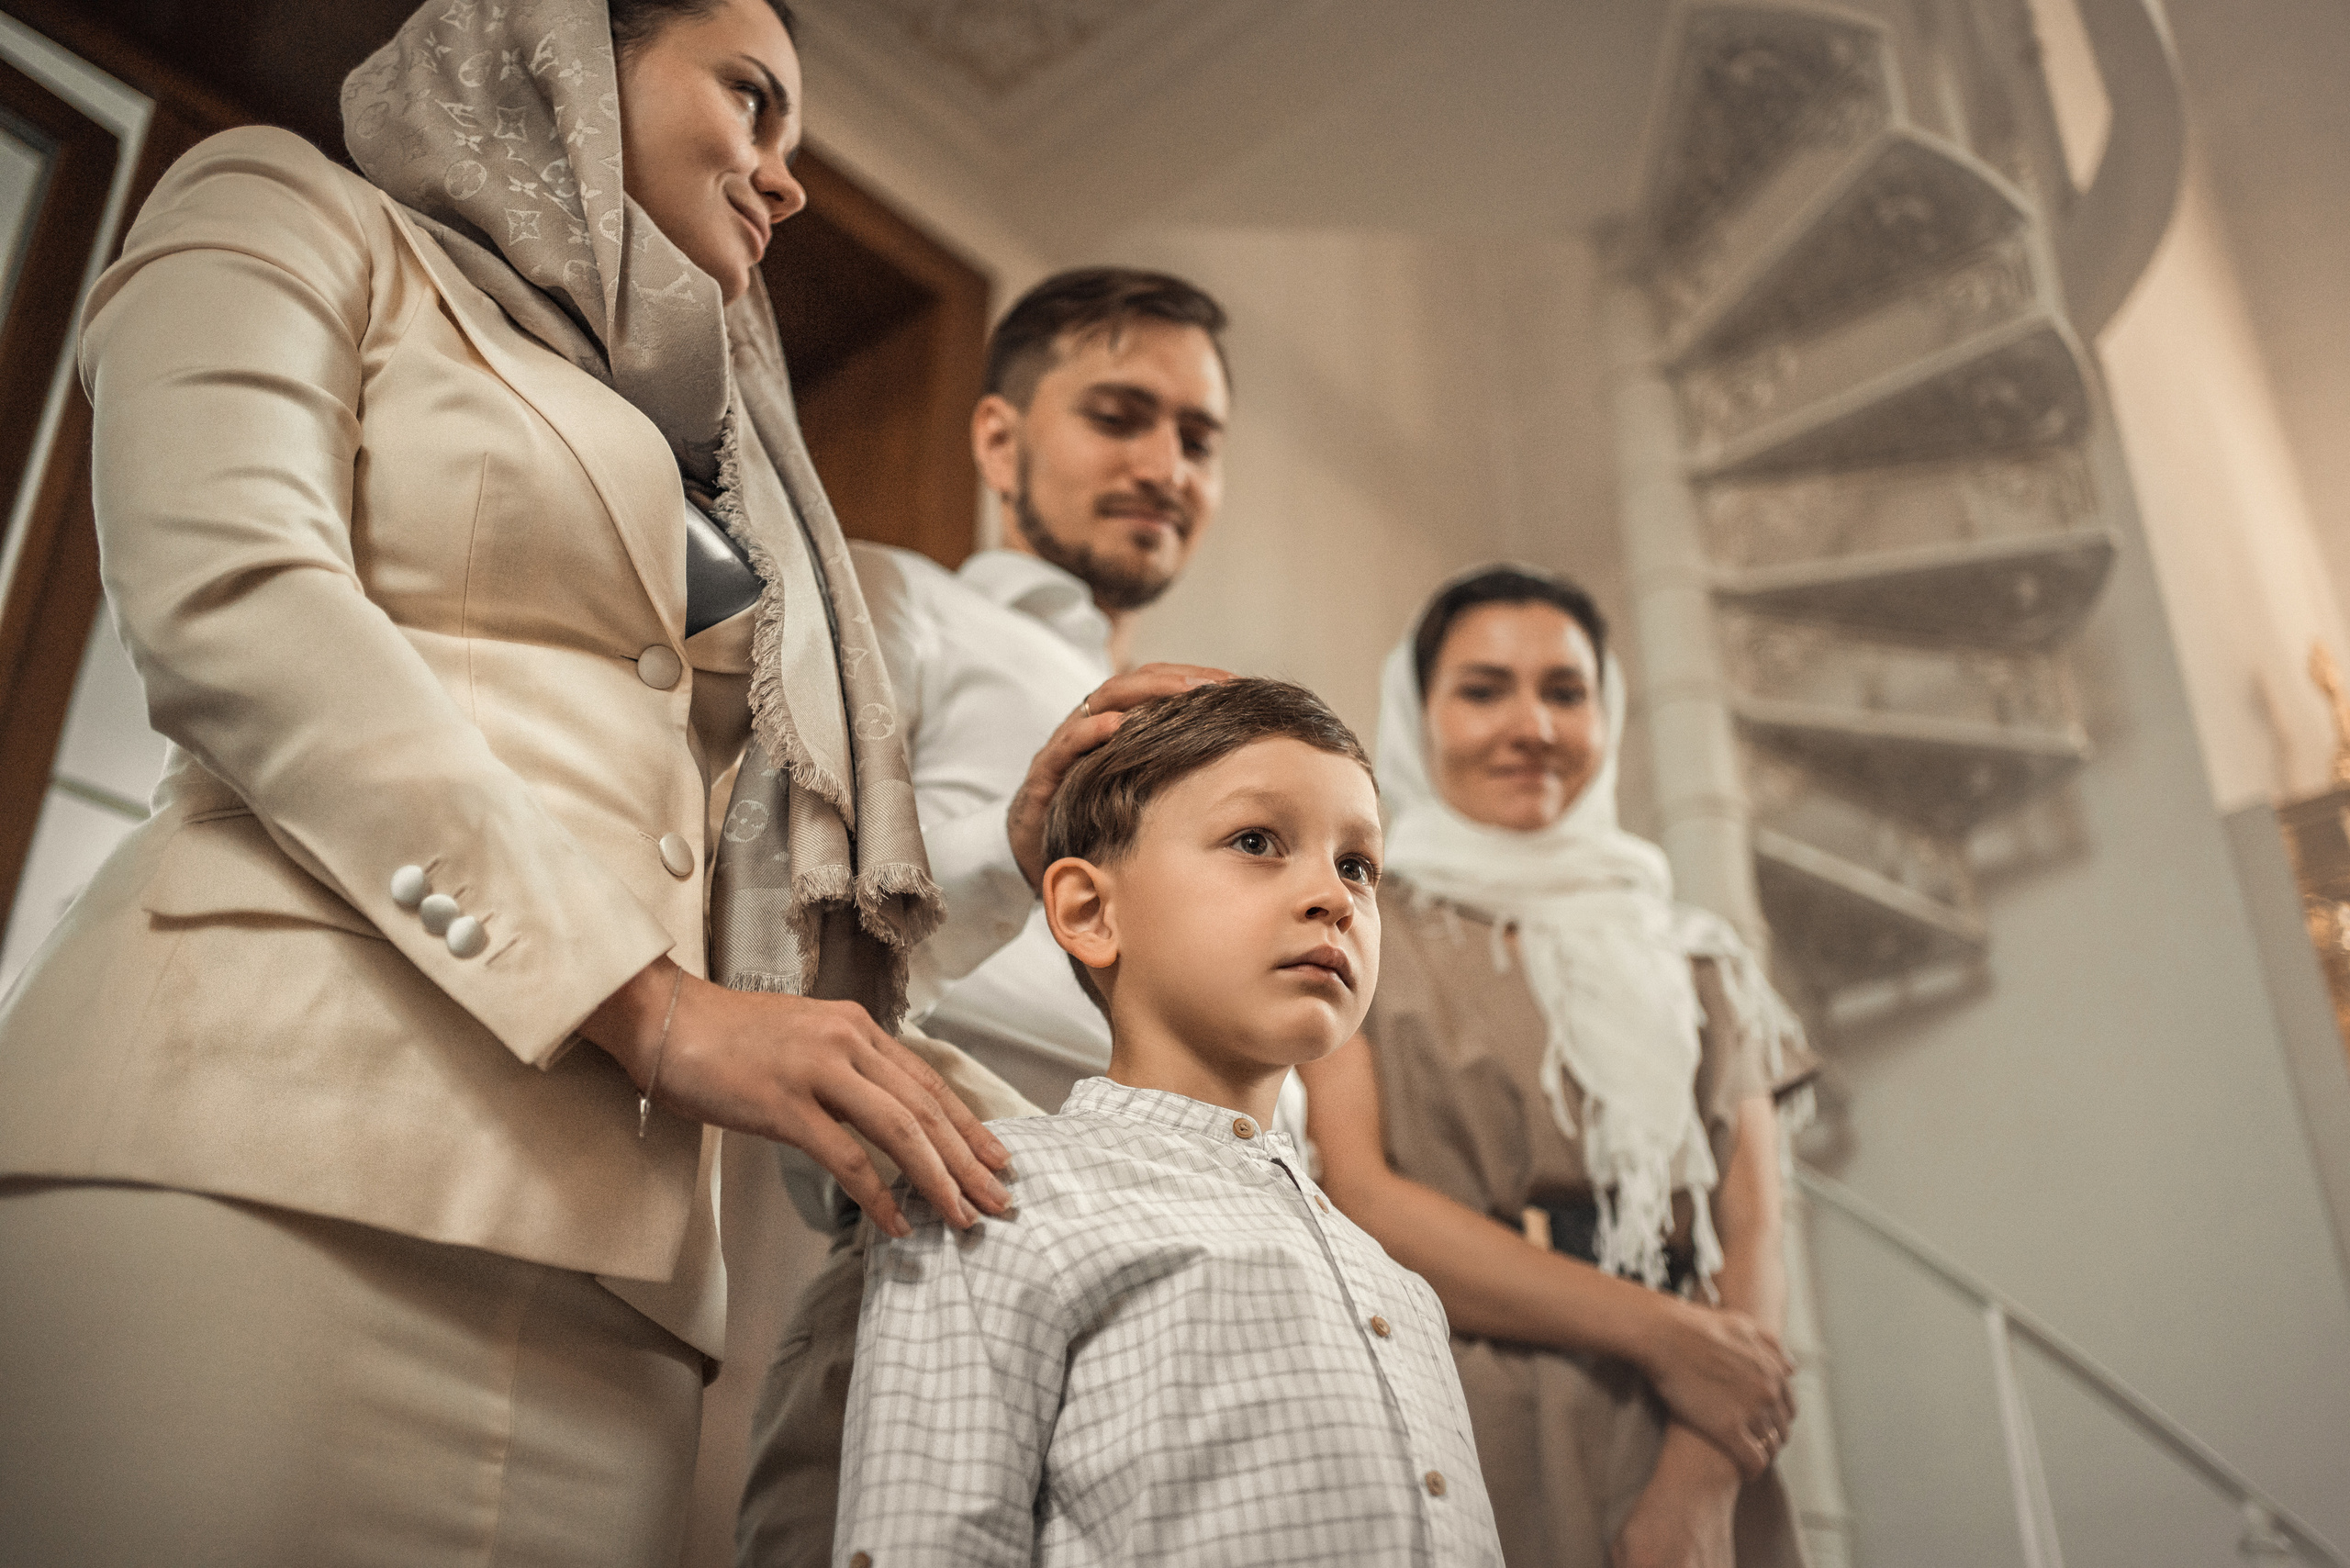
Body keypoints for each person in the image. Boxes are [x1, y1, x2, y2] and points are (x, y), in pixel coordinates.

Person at [0, 2, 1020, 1562]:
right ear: (568, 53)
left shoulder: (734, 471)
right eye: (753, 100)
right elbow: (242, 605)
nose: (787, 178)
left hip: (618, 1286)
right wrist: (658, 1007)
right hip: (260, 1150)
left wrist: (1028, 840)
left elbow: (765, 855)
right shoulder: (290, 207)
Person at [736, 266, 1267, 1564]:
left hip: (1200, 1301)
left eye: (1198, 437)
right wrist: (1021, 843)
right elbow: (773, 917)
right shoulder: (898, 601)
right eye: (1120, 415)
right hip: (950, 1244)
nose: (1166, 464)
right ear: (998, 438)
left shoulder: (1215, 725)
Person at [834, 678, 1505, 1567]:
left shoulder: (1401, 1291)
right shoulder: (998, 1192)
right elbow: (928, 1539)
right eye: (1257, 841)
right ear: (1088, 910)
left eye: (1357, 865)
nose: (1334, 896)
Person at [1299, 566, 1819, 1568]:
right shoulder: (1360, 923)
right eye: (1483, 689)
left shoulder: (1702, 955)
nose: (1530, 724)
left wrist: (1702, 1480)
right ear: (1417, 713)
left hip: (1699, 1424)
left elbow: (1754, 1226)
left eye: (1565, 691)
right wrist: (1665, 1333)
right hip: (1464, 1405)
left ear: (1606, 713)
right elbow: (1360, 1191)